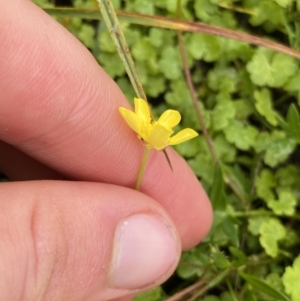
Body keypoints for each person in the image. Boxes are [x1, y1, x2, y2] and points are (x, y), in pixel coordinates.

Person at [0, 1, 213, 300]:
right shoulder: (138, 127)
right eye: (154, 125)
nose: (158, 126)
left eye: (160, 128)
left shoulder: (156, 137)